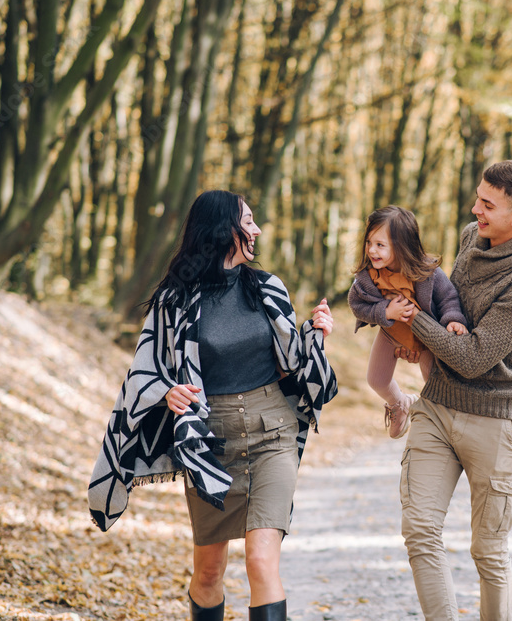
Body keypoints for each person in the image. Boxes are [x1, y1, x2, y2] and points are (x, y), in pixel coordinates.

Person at [88, 190, 337, 621]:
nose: (257, 230)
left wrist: (316, 334)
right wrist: (167, 391)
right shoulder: (175, 301)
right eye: (249, 221)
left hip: (272, 433)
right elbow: (145, 370)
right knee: (208, 572)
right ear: (224, 230)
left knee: (261, 561)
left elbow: (291, 361)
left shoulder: (267, 288)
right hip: (208, 444)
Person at [397, 160, 512, 620]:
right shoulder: (473, 237)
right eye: (478, 198)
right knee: (420, 529)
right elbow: (450, 308)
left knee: (488, 550)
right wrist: (418, 337)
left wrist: (414, 320)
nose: (475, 210)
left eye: (488, 204)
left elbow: (472, 356)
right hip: (439, 404)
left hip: (497, 420)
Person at [347, 206, 468, 438]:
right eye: (369, 242)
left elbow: (448, 298)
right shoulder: (368, 276)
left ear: (402, 246)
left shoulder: (427, 272)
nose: (372, 250)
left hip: (427, 339)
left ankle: (440, 425)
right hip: (391, 333)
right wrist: (385, 311)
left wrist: (453, 320)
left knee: (434, 384)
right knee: (376, 380)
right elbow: (357, 306)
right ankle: (401, 404)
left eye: (380, 245)